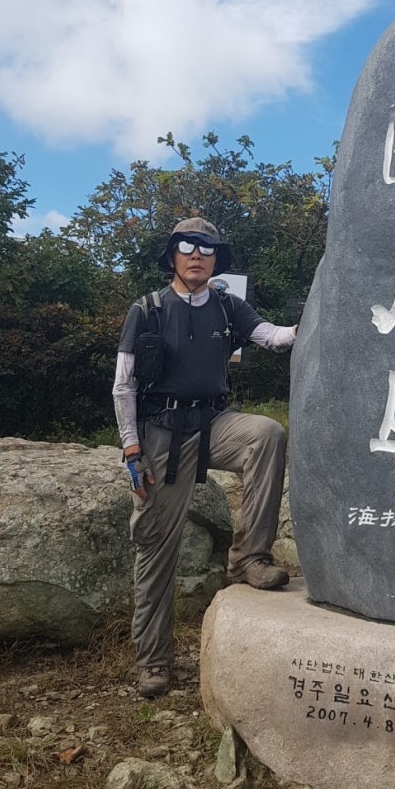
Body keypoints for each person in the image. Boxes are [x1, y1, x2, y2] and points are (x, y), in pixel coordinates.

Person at [113, 216, 296, 699]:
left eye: (207, 248)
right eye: (187, 245)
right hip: (161, 434)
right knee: (157, 548)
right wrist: (132, 449)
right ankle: (153, 661)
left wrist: (313, 318)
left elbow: (273, 337)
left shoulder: (227, 305)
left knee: (267, 433)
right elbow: (124, 385)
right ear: (172, 254)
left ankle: (247, 559)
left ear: (217, 259)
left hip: (214, 422)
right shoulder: (147, 310)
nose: (197, 254)